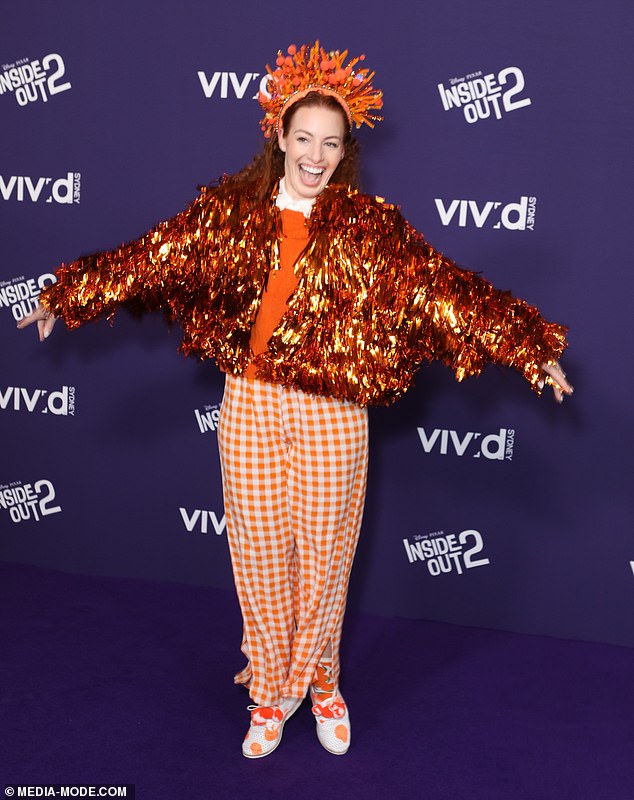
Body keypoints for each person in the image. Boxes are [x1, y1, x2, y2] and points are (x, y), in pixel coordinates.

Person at [18, 41, 572, 759]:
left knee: (326, 557)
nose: (315, 156)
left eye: (331, 144)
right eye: (303, 138)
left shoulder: (374, 231)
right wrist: (69, 294)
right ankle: (269, 694)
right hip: (249, 402)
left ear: (346, 152)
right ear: (278, 137)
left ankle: (324, 684)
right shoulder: (227, 214)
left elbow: (443, 293)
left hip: (333, 410)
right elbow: (151, 257)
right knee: (258, 555)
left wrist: (529, 344)